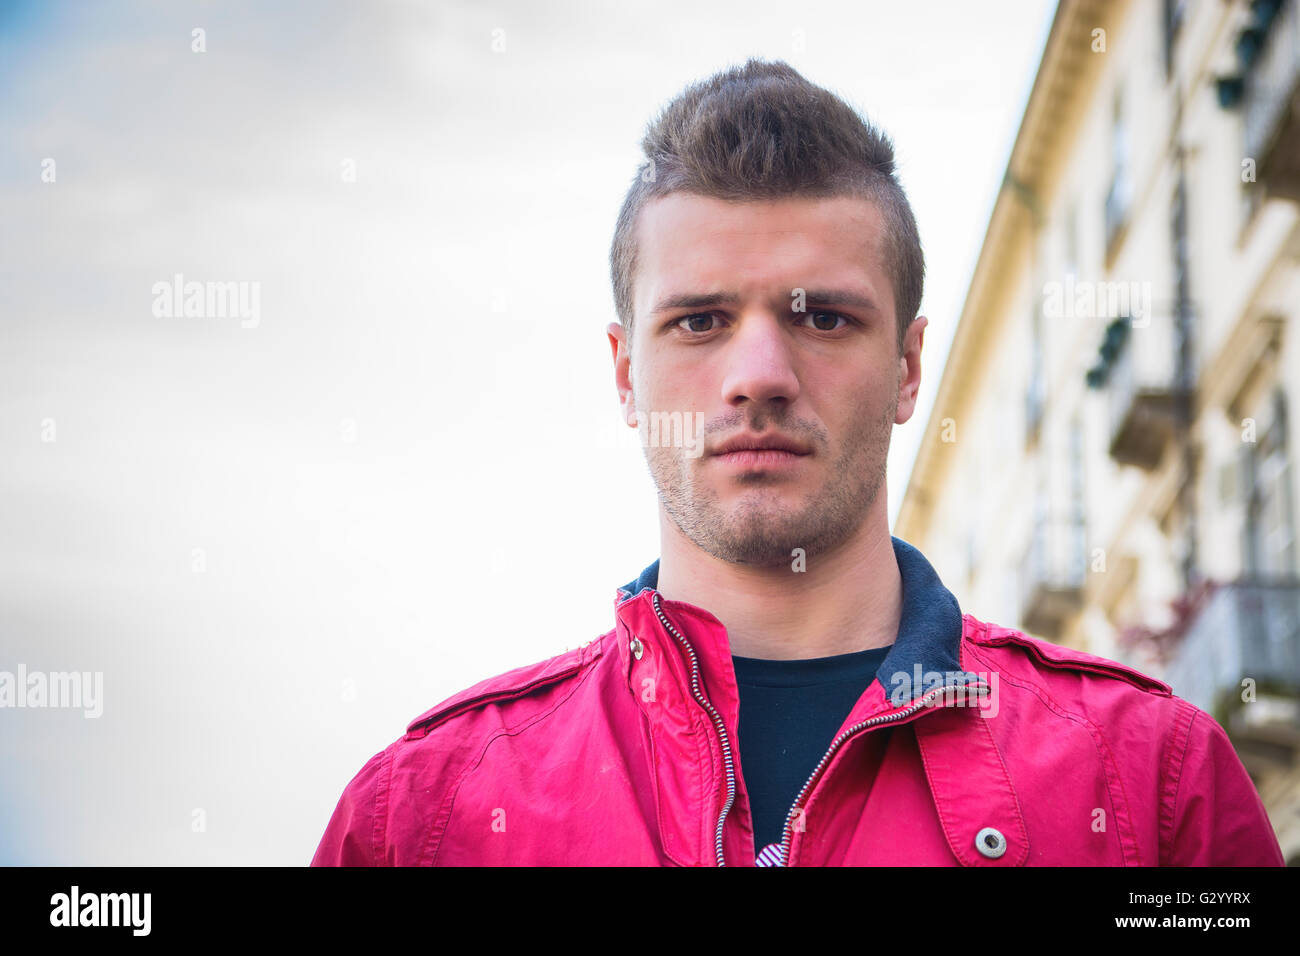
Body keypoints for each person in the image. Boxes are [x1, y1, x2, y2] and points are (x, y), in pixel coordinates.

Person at [311, 58, 1284, 866]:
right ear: (624, 375)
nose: (759, 375)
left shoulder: (1154, 783)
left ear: (907, 368)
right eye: (699, 321)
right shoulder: (426, 815)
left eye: (822, 316)